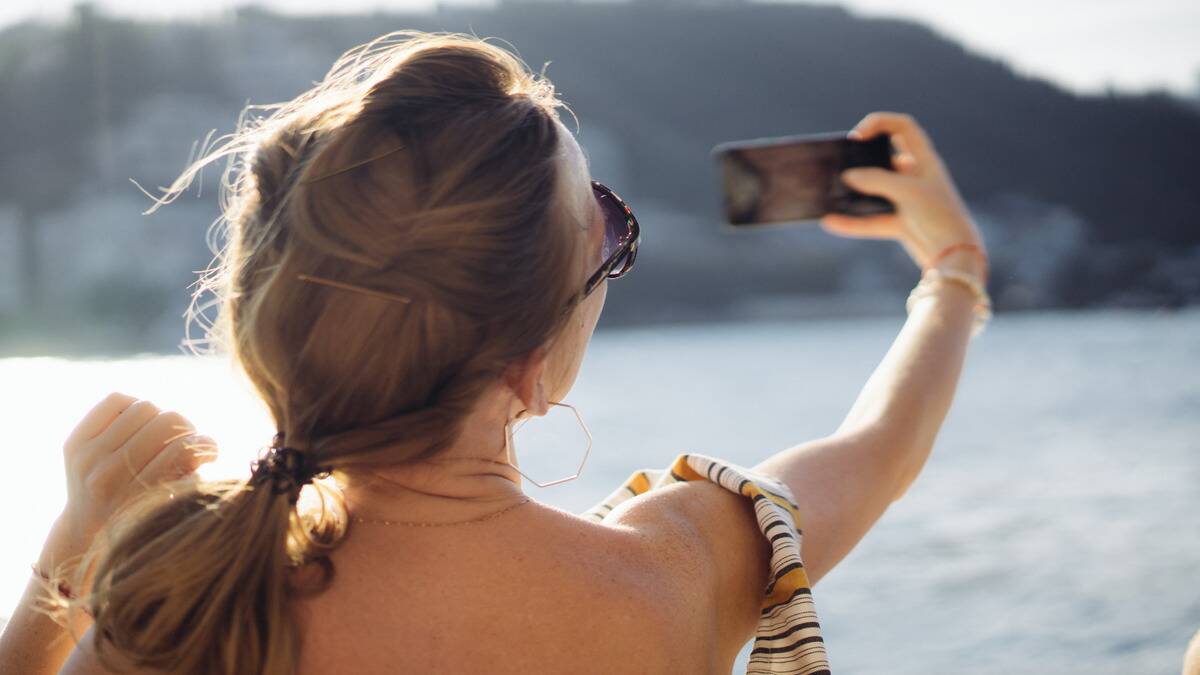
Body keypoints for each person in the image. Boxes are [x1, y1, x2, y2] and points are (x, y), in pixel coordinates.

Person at [0, 30, 992, 674]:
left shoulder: (186, 601)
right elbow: (883, 446)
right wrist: (952, 269)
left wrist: (72, 550)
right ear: (529, 358)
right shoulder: (679, 573)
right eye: (602, 239)